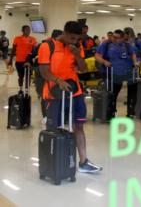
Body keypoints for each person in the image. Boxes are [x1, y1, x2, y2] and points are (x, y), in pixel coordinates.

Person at [38, 21, 102, 173]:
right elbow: (44, 71)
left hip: (75, 93)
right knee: (55, 129)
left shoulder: (76, 47)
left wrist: (77, 55)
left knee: (78, 126)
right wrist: (58, 81)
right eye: (72, 38)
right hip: (54, 95)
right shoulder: (47, 47)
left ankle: (83, 162)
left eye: (77, 39)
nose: (74, 41)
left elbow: (82, 68)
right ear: (64, 32)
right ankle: (53, 163)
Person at [95, 29, 139, 119]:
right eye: (113, 37)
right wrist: (104, 62)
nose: (114, 39)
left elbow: (132, 54)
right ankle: (110, 112)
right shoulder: (106, 44)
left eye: (117, 37)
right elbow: (97, 56)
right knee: (113, 93)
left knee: (132, 92)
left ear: (123, 38)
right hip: (112, 73)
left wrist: (135, 62)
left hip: (127, 72)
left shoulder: (126, 45)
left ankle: (130, 111)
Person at [30, 29, 63, 123]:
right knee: (44, 95)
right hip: (42, 74)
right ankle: (45, 116)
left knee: (53, 94)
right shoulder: (45, 45)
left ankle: (54, 115)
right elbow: (33, 56)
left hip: (52, 75)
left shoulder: (59, 46)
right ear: (56, 37)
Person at [8, 25, 37, 89]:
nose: (28, 31)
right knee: (21, 76)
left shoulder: (33, 39)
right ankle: (20, 88)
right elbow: (13, 50)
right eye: (27, 29)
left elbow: (34, 51)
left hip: (28, 61)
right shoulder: (17, 38)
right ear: (22, 31)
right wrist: (10, 60)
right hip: (19, 61)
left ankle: (27, 90)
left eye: (29, 29)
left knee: (28, 76)